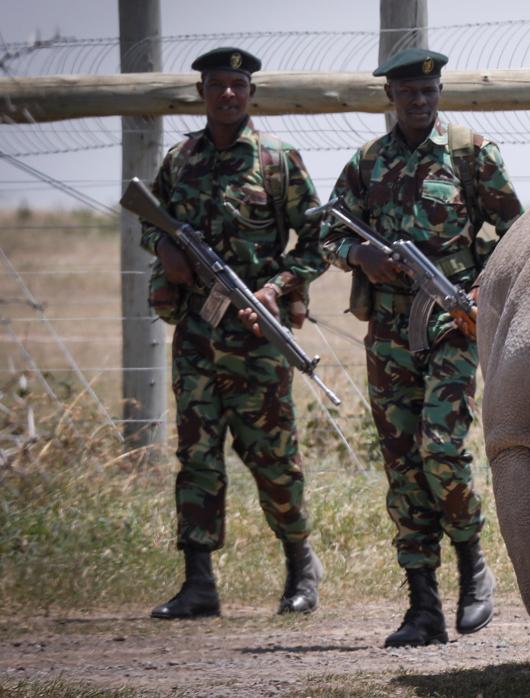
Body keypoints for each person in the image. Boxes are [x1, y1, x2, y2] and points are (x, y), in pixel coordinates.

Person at [319, 48, 523, 647]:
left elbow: (514, 230)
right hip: (388, 333)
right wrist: (361, 255)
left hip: (452, 325)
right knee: (404, 466)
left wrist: (480, 289)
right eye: (407, 91)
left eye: (428, 90)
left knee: (441, 449)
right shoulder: (368, 163)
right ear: (391, 97)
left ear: (439, 92)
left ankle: (471, 565)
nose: (419, 100)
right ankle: (422, 606)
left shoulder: (469, 153)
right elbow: (327, 229)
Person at [143, 47, 327, 619]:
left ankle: (301, 569)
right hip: (197, 334)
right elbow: (151, 223)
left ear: (251, 94)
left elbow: (318, 244)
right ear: (202, 93)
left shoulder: (277, 161)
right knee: (197, 456)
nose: (228, 94)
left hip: (255, 335)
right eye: (217, 85)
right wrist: (165, 249)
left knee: (274, 456)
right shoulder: (180, 161)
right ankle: (199, 583)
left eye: (238, 85)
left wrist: (276, 287)